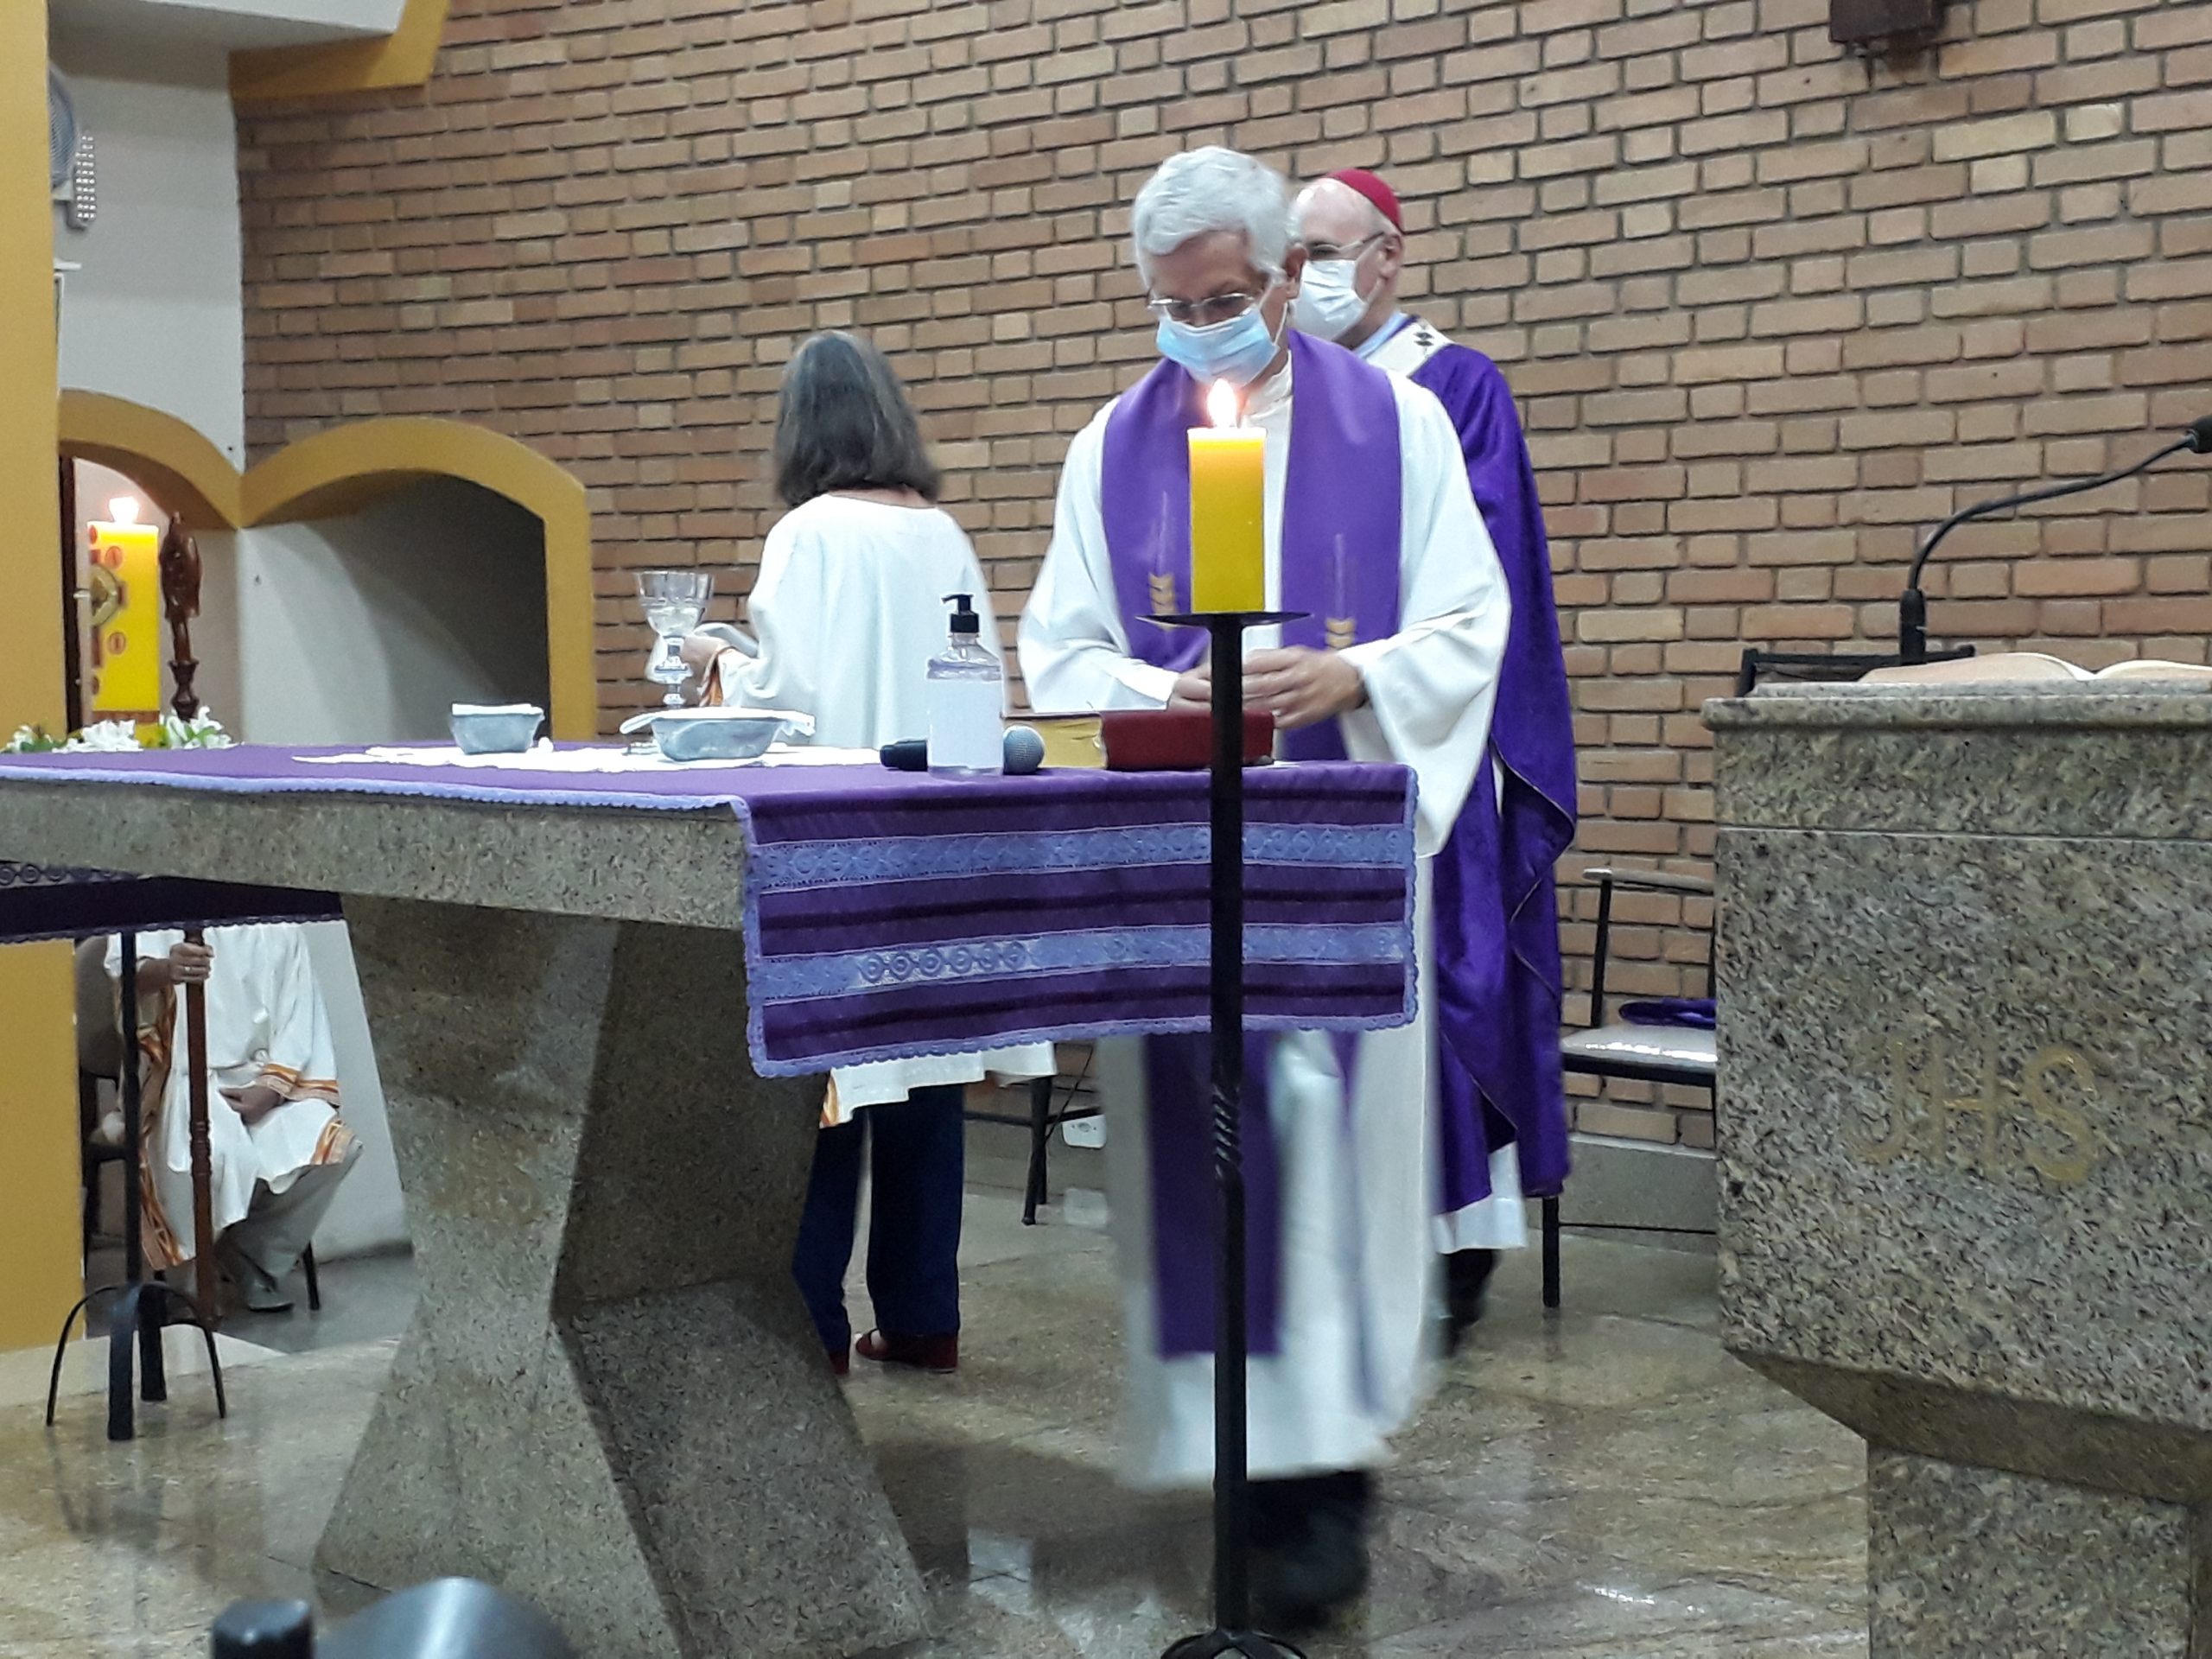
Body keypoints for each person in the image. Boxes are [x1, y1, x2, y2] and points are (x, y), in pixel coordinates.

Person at [1017, 146, 1511, 1630]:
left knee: (1332, 1170)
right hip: (1186, 867)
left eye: (1225, 298)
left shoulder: (1400, 425)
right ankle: (1233, 1466)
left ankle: (1329, 1484)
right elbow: (1062, 650)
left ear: (1293, 276)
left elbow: (1472, 619)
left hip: (1336, 858)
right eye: (1172, 306)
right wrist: (1160, 685)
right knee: (1211, 1165)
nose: (1200, 329)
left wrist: (1354, 672)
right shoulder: (1111, 446)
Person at [688, 330, 1055, 1376]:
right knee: (925, 1079)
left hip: (839, 842)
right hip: (944, 844)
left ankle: (809, 1328)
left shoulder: (808, 534)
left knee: (824, 1085)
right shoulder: (942, 533)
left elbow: (784, 701)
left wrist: (715, 658)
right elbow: (978, 681)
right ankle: (924, 1316)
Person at [1292, 168, 1578, 1347]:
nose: (1307, 276)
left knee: (1439, 976)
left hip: (1422, 738)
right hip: (1302, 742)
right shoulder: (1281, 400)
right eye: (1293, 256)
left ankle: (1455, 1245)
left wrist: (1371, 663)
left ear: (1388, 256)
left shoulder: (1455, 385)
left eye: (1325, 251)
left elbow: (1482, 576)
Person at [108, 924, 359, 1313]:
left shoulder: (278, 921)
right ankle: (188, 1281)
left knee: (333, 1148)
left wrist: (271, 1088)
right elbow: (125, 974)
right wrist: (167, 969)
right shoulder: (157, 904)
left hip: (262, 1080)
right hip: (179, 1077)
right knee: (217, 1156)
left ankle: (248, 1259)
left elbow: (299, 1013)